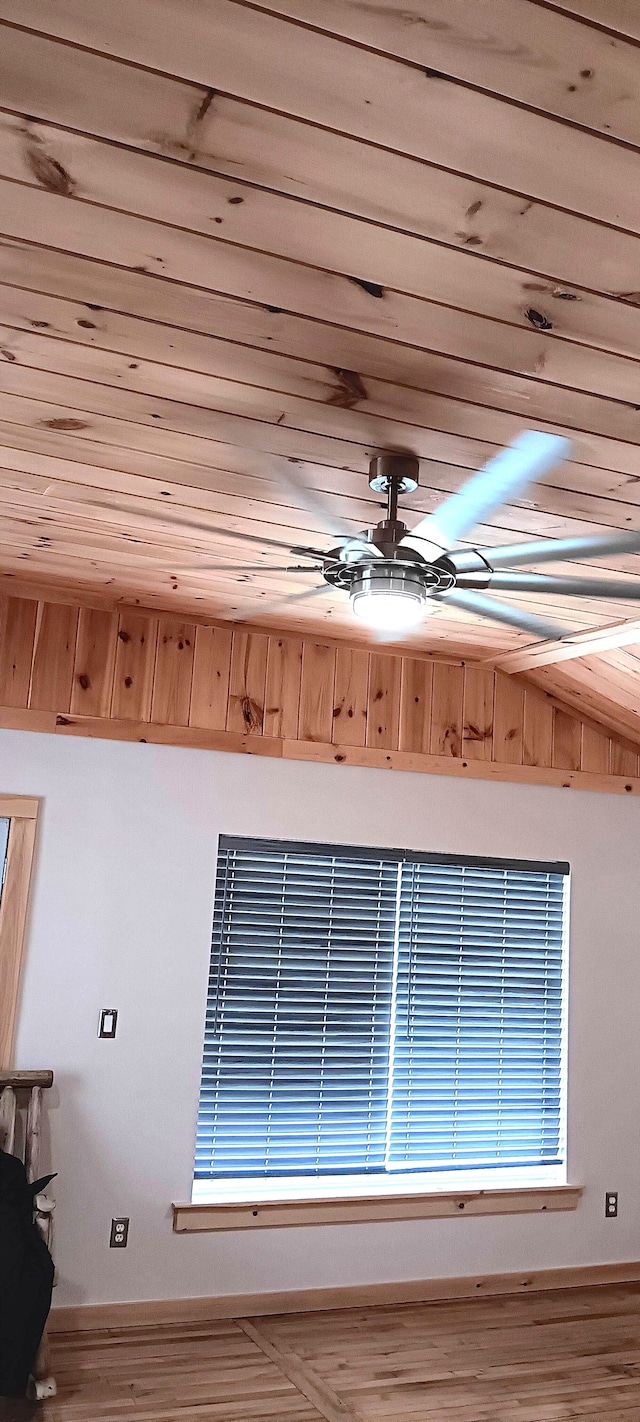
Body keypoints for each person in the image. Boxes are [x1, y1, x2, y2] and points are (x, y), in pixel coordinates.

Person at [0, 1149, 55, 1400]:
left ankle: (10, 1377)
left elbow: (18, 1213)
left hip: (9, 1233)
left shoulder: (10, 1166)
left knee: (29, 1273)